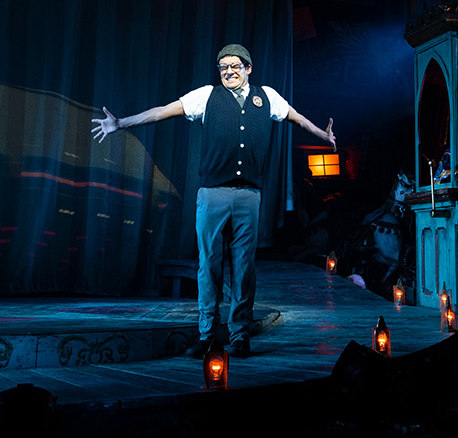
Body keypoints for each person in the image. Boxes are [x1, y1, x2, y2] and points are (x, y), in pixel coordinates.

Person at [92, 43, 336, 358]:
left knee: (244, 267)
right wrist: (122, 123)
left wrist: (322, 135)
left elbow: (298, 118)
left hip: (249, 195)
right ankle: (207, 336)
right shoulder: (206, 96)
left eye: (235, 66)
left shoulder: (268, 97)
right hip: (212, 193)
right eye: (223, 67)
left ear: (249, 69)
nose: (229, 72)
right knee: (209, 265)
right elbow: (162, 111)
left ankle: (240, 336)